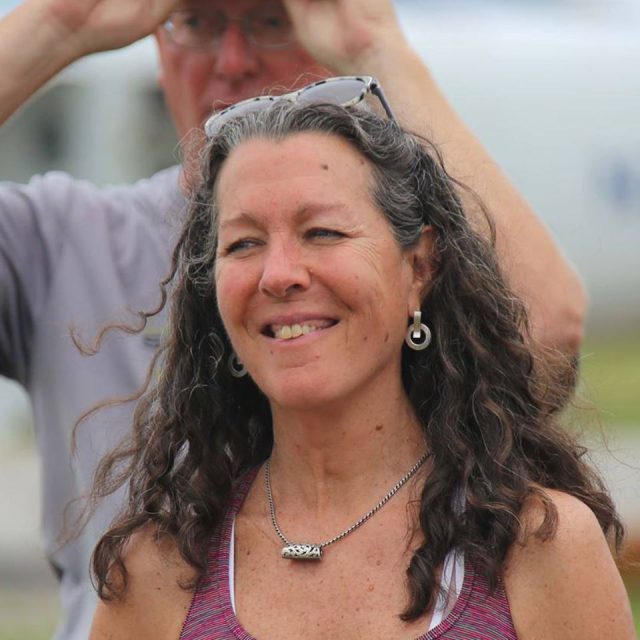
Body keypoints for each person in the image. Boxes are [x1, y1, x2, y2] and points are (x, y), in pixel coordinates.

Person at [0, 0, 587, 637]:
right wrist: (54, 26)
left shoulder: (537, 547)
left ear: (421, 268)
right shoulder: (62, 237)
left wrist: (376, 48)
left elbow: (542, 342)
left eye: (271, 21)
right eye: (197, 23)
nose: (232, 61)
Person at [87, 90, 634, 639]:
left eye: (322, 232)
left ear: (419, 266)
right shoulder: (157, 571)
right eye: (244, 244)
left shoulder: (536, 546)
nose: (278, 275)